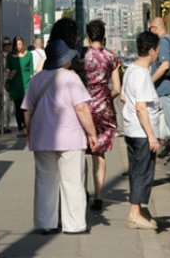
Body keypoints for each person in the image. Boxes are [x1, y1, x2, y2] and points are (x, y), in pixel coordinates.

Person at [21, 39, 98, 235]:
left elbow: (27, 109)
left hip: (42, 137)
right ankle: (74, 224)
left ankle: (46, 223)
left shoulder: (37, 79)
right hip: (70, 138)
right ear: (64, 59)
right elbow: (81, 108)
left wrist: (30, 132)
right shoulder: (71, 79)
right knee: (72, 181)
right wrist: (92, 133)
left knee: (45, 181)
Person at [121, 31, 161, 230]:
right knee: (142, 173)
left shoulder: (130, 70)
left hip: (131, 130)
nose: (158, 54)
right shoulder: (143, 74)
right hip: (141, 132)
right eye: (157, 50)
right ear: (152, 51)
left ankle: (140, 210)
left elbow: (122, 96)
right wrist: (152, 136)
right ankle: (135, 213)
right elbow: (141, 107)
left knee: (137, 171)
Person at [82, 19, 121, 211]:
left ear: (88, 37)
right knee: (99, 153)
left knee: (82, 151)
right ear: (103, 36)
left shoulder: (83, 57)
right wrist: (104, 98)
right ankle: (98, 196)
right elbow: (117, 88)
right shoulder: (111, 58)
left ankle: (82, 190)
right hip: (104, 108)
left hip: (84, 108)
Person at [149, 17, 170, 152]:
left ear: (153, 29)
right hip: (168, 89)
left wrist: (149, 81)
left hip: (166, 89)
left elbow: (165, 65)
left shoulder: (163, 42)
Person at [5, 35, 33, 136]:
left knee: (25, 107)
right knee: (18, 107)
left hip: (26, 84)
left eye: (20, 44)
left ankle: (26, 127)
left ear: (23, 44)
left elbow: (31, 70)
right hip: (15, 83)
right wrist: (8, 77)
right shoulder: (10, 56)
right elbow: (7, 69)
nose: (18, 46)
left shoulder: (29, 55)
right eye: (16, 45)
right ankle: (20, 128)